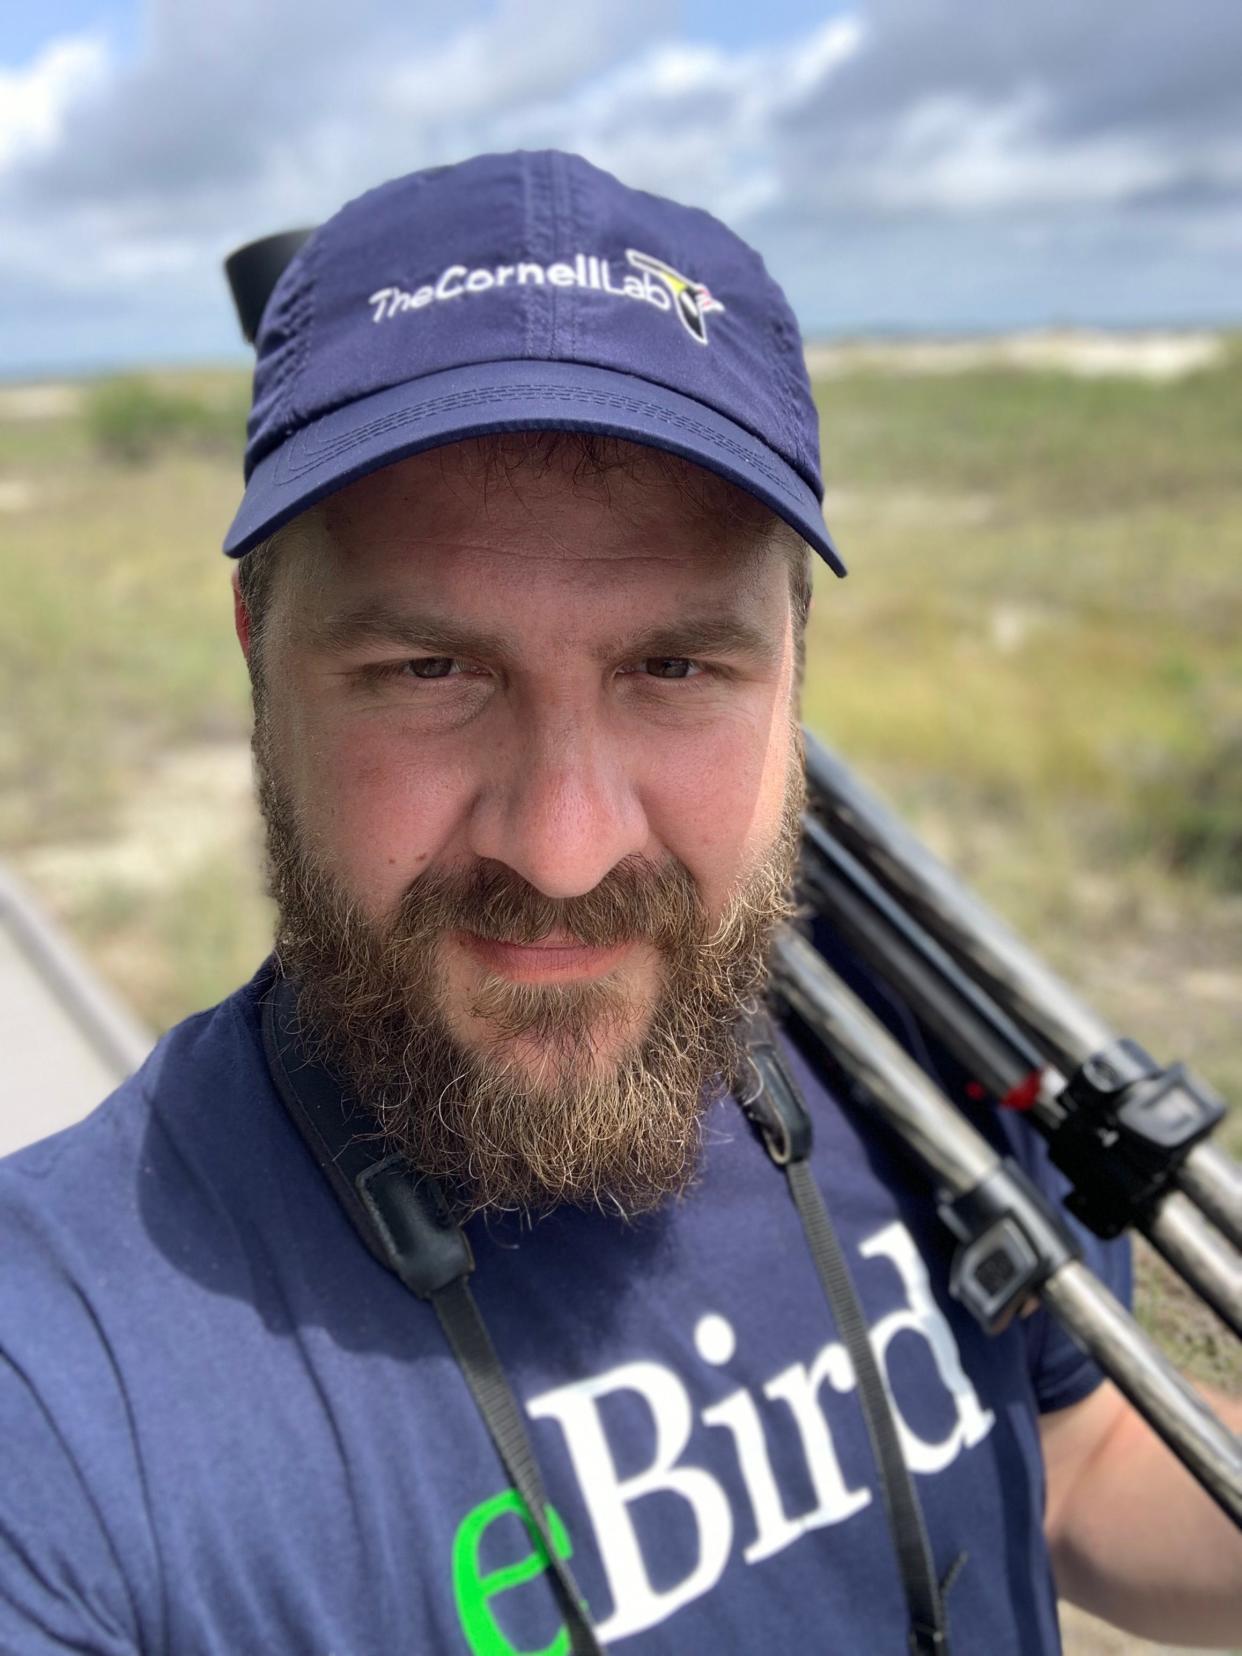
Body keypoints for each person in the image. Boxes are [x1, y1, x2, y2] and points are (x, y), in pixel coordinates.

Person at [0, 150, 1237, 1656]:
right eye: (429, 672)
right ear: (258, 649)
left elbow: (1072, 1469)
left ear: (793, 662)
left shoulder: (903, 1043)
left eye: (675, 669)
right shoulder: (64, 1382)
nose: (569, 850)